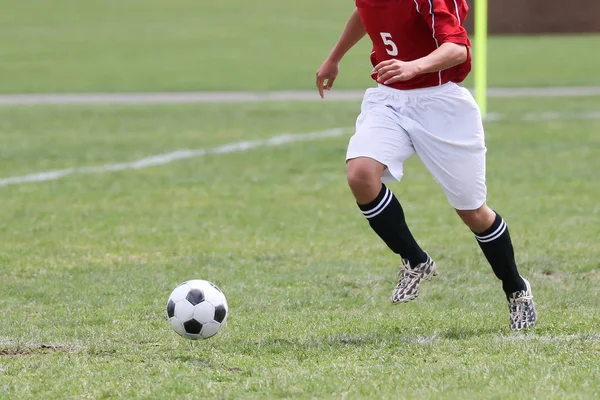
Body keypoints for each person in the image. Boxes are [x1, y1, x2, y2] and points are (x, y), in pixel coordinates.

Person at [315, 0, 537, 331]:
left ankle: (516, 289)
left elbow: (457, 48)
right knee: (360, 175)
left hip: (441, 103)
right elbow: (366, 12)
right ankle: (416, 260)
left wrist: (414, 66)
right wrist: (334, 58)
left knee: (474, 213)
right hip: (389, 99)